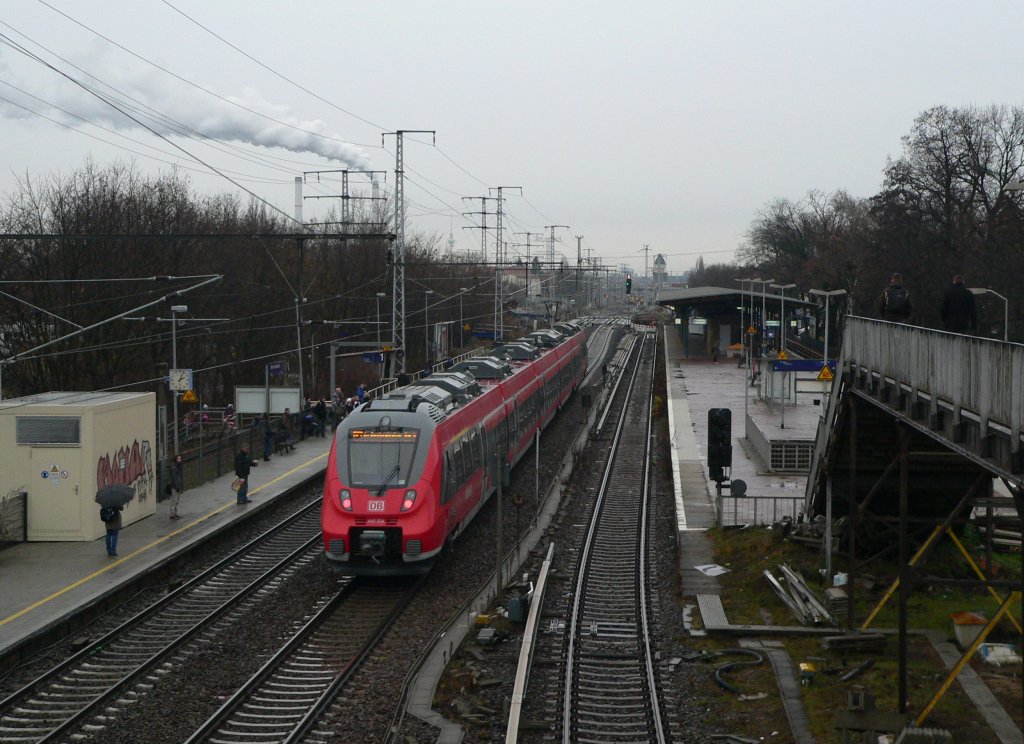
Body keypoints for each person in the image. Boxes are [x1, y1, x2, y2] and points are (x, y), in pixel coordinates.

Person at [169, 454, 184, 519]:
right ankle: (172, 514)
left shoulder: (178, 466)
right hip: (175, 487)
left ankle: (175, 513)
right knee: (174, 500)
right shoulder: (174, 468)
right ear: (176, 459)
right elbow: (174, 478)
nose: (180, 460)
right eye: (178, 458)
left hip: (178, 486)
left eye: (180, 458)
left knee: (177, 500)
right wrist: (177, 486)